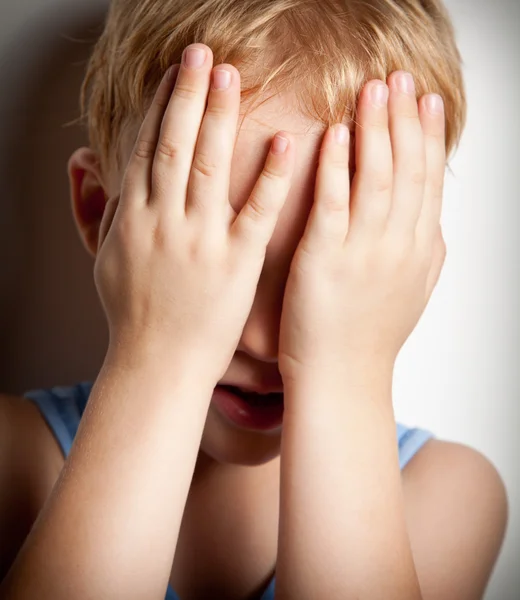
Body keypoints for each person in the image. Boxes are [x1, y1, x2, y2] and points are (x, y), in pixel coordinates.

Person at [0, 0, 509, 598]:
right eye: (214, 257)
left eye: (328, 270)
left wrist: (343, 375)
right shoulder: (14, 463)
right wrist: (163, 357)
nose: (268, 339)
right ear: (97, 214)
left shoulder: (448, 495)